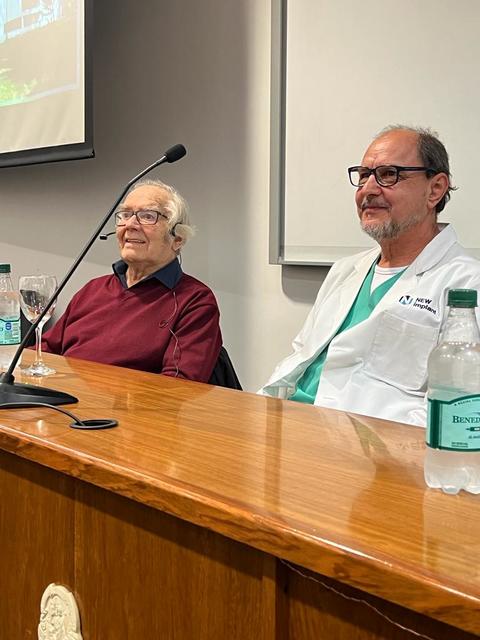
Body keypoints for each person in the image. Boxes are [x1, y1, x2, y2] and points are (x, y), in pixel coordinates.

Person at [259, 125, 480, 426]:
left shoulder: (467, 283)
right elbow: (301, 356)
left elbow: (460, 408)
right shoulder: (345, 270)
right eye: (363, 176)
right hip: (285, 424)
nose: (368, 190)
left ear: (435, 189)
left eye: (389, 174)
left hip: (366, 452)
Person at [42, 179, 222, 382]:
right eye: (125, 215)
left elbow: (178, 387)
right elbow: (43, 355)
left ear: (177, 238)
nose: (130, 225)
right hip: (61, 406)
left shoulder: (195, 301)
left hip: (127, 412)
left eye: (147, 216)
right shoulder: (93, 289)